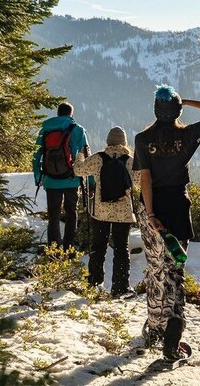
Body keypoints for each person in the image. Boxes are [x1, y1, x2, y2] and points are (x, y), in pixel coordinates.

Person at [133, 85, 200, 361]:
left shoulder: (142, 138)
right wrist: (187, 102)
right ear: (177, 110)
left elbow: (145, 179)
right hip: (177, 207)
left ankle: (156, 327)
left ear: (155, 110)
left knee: (155, 268)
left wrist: (150, 215)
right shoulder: (187, 135)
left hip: (153, 208)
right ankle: (173, 329)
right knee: (175, 269)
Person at [74, 126, 140, 297]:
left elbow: (78, 170)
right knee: (121, 248)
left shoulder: (98, 158)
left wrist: (80, 155)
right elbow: (140, 181)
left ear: (108, 141)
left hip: (100, 211)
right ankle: (120, 287)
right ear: (124, 142)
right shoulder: (130, 161)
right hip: (123, 213)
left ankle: (94, 283)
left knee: (98, 246)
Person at [32, 102, 90, 252]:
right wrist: (90, 180)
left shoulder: (45, 130)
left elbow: (36, 155)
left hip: (51, 180)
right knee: (71, 213)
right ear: (71, 114)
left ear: (58, 114)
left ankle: (54, 249)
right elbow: (85, 155)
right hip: (71, 179)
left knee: (54, 215)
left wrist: (38, 176)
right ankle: (69, 248)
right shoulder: (77, 129)